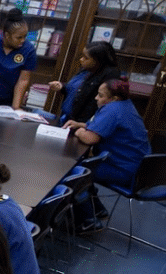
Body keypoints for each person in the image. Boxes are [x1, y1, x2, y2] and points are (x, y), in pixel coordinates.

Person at [63, 77, 150, 232]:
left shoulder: (113, 109)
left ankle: (88, 220)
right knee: (85, 168)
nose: (96, 98)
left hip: (124, 171)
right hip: (138, 169)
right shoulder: (125, 105)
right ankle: (97, 208)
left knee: (74, 173)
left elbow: (90, 138)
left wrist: (80, 131)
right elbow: (104, 126)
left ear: (113, 98)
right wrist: (82, 125)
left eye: (101, 95)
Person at [49, 41, 121, 125]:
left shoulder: (109, 74)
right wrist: (62, 86)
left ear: (98, 60)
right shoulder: (87, 69)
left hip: (81, 123)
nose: (81, 59)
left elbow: (96, 102)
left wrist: (82, 124)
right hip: (66, 117)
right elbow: (76, 89)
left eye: (86, 58)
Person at [0, 8, 36, 110]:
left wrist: (15, 108)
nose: (23, 40)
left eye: (25, 37)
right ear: (7, 35)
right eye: (19, 37)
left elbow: (23, 80)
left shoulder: (28, 50)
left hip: (7, 104)